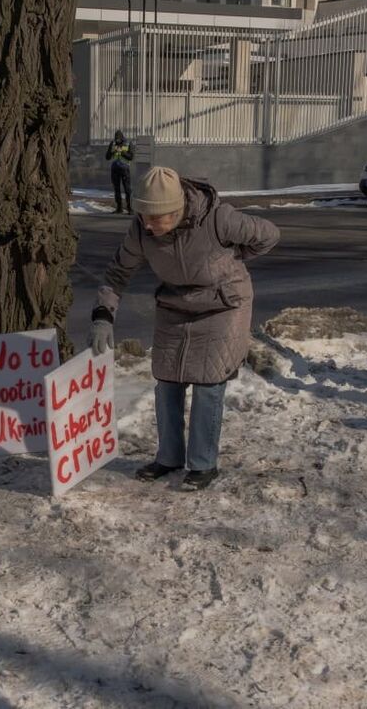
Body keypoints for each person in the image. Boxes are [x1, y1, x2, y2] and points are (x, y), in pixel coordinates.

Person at [88, 167, 280, 491]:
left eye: (155, 218)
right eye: (143, 216)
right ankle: (169, 457)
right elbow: (117, 272)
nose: (147, 224)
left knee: (208, 382)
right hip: (175, 303)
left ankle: (203, 464)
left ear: (175, 211)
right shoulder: (141, 230)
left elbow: (269, 234)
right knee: (167, 381)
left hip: (224, 303)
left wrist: (234, 257)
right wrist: (102, 316)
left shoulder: (218, 219)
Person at [106, 131, 134, 214]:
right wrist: (113, 152)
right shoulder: (112, 143)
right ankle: (119, 208)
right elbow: (107, 157)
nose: (117, 140)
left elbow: (131, 157)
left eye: (119, 138)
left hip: (124, 169)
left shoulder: (128, 143)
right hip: (114, 169)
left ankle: (130, 208)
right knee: (116, 189)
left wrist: (122, 152)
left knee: (127, 189)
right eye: (116, 138)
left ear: (122, 138)